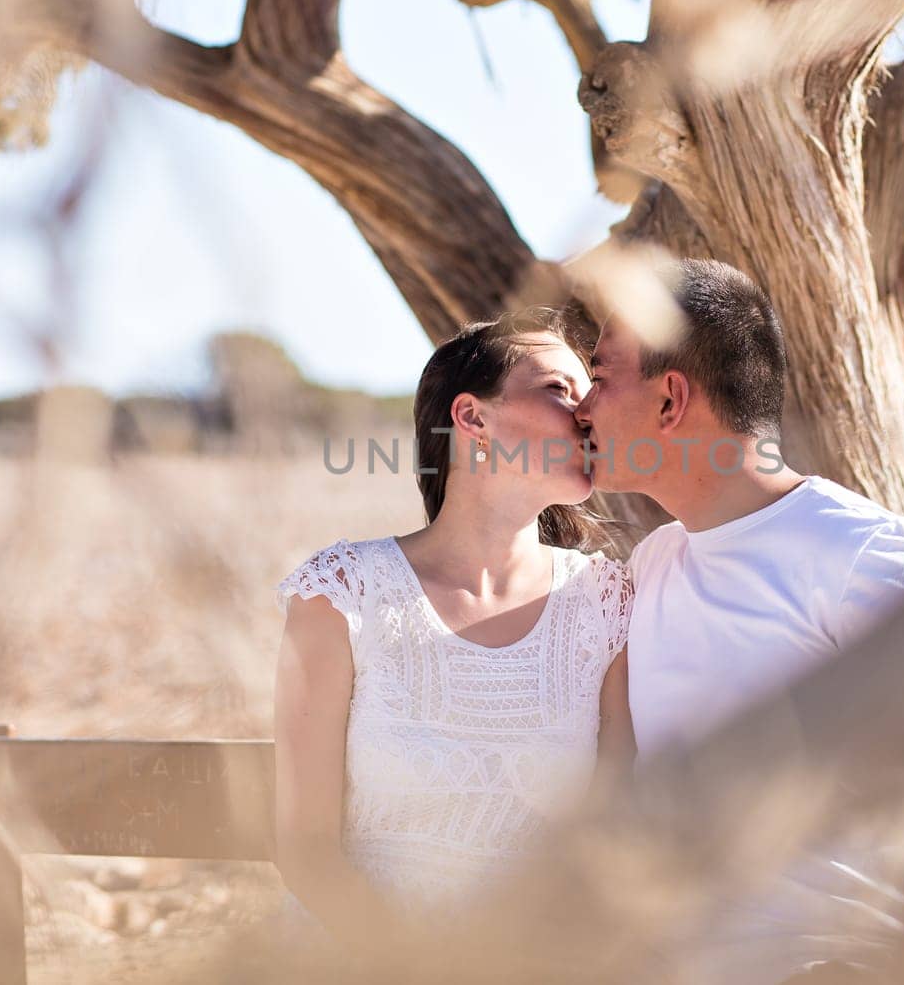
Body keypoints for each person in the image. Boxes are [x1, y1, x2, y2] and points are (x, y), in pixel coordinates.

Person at [572, 257, 904, 984]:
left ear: (671, 400)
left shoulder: (866, 557)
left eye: (601, 372)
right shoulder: (653, 564)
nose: (581, 403)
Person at [271, 307, 634, 956]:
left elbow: (613, 841)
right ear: (473, 417)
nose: (587, 413)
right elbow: (307, 851)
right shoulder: (341, 596)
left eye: (589, 393)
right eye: (559, 389)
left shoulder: (605, 602)